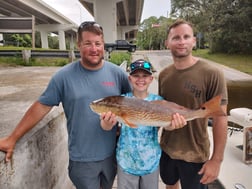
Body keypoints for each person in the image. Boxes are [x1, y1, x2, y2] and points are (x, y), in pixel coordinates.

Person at [0, 21, 132, 189]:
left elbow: (133, 104)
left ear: (103, 44)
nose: (94, 49)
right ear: (79, 45)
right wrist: (12, 138)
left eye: (98, 43)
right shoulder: (63, 77)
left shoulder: (118, 74)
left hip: (111, 154)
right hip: (82, 159)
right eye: (88, 43)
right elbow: (41, 106)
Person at [158, 19, 228, 189]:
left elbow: (220, 119)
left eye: (186, 36)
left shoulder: (212, 73)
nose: (181, 41)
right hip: (167, 149)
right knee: (170, 184)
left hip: (195, 154)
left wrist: (216, 161)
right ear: (167, 43)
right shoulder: (164, 75)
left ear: (194, 41)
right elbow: (161, 110)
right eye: (176, 38)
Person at [100, 59, 187, 189]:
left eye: (145, 76)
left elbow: (166, 125)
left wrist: (173, 124)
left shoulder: (158, 101)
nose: (140, 79)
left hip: (150, 161)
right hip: (126, 162)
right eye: (136, 75)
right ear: (130, 78)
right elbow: (106, 127)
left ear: (151, 79)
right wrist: (106, 122)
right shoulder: (121, 100)